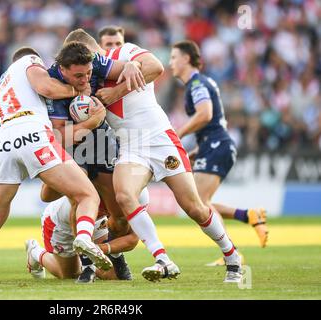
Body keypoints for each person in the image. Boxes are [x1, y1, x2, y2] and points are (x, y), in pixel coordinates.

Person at [65, 29, 243, 283]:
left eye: (86, 63)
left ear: (92, 52)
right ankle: (163, 259)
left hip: (160, 139)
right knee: (124, 195)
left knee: (195, 208)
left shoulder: (123, 53)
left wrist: (115, 93)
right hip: (131, 147)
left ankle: (232, 256)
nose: (84, 72)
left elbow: (156, 67)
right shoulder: (87, 83)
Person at [0, 47, 113, 285]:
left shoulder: (2, 83)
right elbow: (45, 87)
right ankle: (85, 239)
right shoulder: (28, 60)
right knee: (86, 194)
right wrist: (77, 90)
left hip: (4, 140)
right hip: (33, 132)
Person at [44, 41, 151, 282]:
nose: (85, 80)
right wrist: (91, 123)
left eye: (89, 74)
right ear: (63, 69)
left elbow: (138, 67)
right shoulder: (51, 84)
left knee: (121, 220)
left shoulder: (96, 62)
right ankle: (82, 262)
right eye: (78, 76)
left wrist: (132, 65)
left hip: (102, 147)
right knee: (62, 198)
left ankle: (103, 252)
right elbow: (59, 139)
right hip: (73, 150)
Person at [168, 40, 268, 266]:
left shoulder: (196, 85)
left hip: (217, 145)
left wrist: (178, 133)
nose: (170, 62)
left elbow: (205, 114)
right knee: (199, 203)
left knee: (198, 203)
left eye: (174, 57)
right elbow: (212, 122)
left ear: (186, 58)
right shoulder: (198, 84)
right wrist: (198, 149)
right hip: (212, 145)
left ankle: (232, 253)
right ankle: (249, 216)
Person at [25, 189, 149, 282]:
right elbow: (75, 223)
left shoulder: (139, 193)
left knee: (112, 276)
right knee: (69, 274)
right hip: (61, 222)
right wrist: (86, 256)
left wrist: (97, 249)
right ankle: (36, 252)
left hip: (97, 220)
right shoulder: (92, 189)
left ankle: (114, 257)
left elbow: (133, 239)